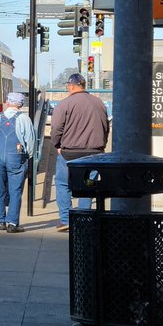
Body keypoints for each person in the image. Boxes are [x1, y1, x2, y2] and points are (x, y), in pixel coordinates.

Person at [50, 73, 110, 232]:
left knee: (63, 184)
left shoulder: (64, 104)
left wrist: (57, 144)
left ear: (71, 86)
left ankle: (66, 219)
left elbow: (56, 128)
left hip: (69, 153)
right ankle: (84, 219)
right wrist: (101, 146)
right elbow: (106, 127)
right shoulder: (99, 103)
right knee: (88, 185)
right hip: (93, 153)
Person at [0, 91, 36, 233]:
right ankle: (12, 223)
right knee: (15, 191)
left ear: (8, 102)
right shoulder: (25, 119)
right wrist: (28, 156)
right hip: (16, 158)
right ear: (21, 105)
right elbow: (31, 142)